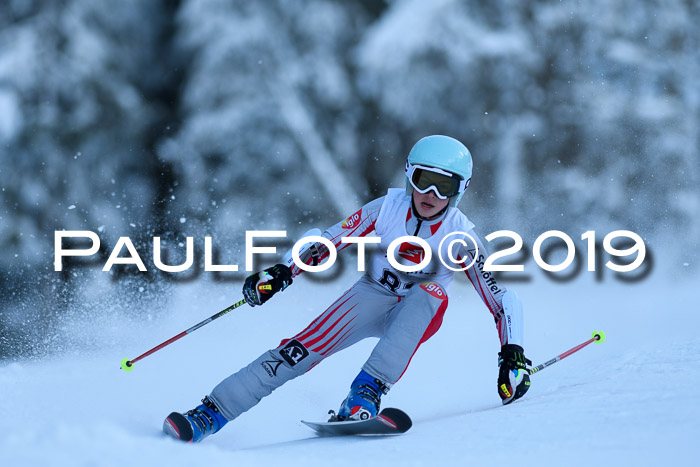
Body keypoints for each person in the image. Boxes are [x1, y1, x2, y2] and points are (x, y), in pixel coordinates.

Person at [163, 135, 531, 443]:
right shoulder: (386, 208)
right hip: (372, 295)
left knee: (431, 293)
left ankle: (364, 395)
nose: (431, 193)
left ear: (460, 190)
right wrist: (283, 271)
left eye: (445, 185)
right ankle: (210, 413)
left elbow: (501, 298)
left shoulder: (461, 236)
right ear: (409, 176)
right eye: (423, 180)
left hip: (418, 311)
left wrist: (511, 352)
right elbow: (328, 240)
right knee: (296, 352)